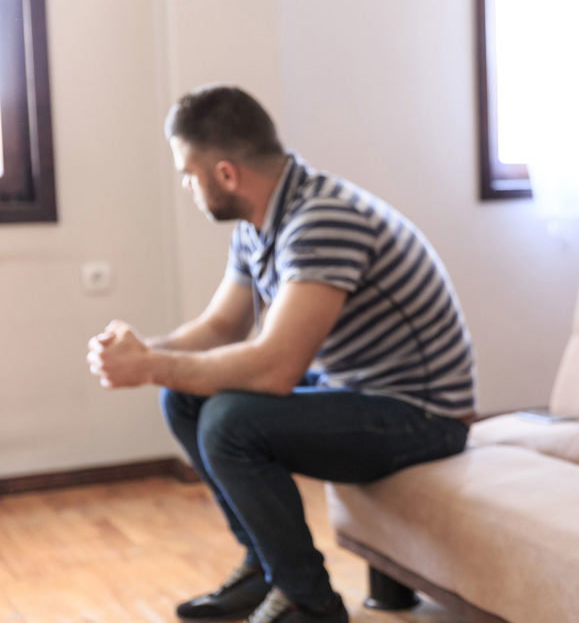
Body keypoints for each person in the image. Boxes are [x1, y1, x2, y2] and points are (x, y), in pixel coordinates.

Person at [86, 85, 475, 623]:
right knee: (185, 398)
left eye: (186, 172)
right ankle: (265, 568)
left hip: (424, 414)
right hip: (354, 390)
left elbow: (274, 368)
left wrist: (146, 366)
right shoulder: (261, 221)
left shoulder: (323, 219)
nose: (185, 185)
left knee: (230, 420)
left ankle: (308, 602)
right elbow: (221, 326)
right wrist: (141, 350)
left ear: (225, 174)